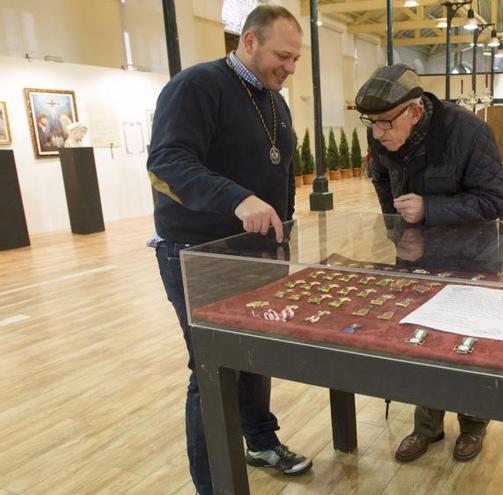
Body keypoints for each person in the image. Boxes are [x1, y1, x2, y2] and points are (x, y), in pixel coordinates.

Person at [146, 5, 310, 494]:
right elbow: (168, 160)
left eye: (297, 59)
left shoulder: (275, 101)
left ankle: (260, 441)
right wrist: (237, 198)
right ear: (250, 42)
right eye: (283, 55)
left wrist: (285, 235)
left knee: (254, 354)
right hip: (197, 252)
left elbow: (278, 174)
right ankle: (214, 483)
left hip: (257, 253)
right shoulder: (196, 86)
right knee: (212, 370)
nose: (290, 67)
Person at [355, 63, 503, 463]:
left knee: (465, 345)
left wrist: (428, 209)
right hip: (415, 255)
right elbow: (381, 181)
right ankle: (427, 427)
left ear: (415, 111)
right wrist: (399, 233)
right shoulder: (383, 133)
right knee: (420, 340)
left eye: (386, 124)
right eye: (371, 124)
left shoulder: (470, 133)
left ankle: (473, 425)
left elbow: (492, 203)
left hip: (472, 258)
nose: (378, 133)